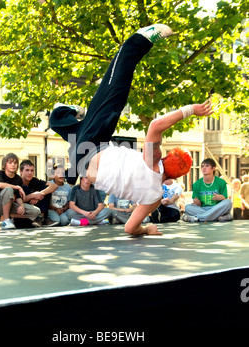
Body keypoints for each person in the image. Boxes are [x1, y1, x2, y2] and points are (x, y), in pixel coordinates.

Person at [50, 23, 213, 235]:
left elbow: (156, 125)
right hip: (81, 161)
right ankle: (63, 113)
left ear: (165, 159)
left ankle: (138, 41)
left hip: (93, 146)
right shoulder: (154, 198)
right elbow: (130, 228)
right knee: (62, 124)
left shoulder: (153, 162)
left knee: (115, 90)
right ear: (178, 176)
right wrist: (146, 230)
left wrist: (191, 109)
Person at [0, 153, 41, 229]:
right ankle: (6, 221)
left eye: (15, 163)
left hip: (11, 205)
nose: (13, 165)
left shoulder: (18, 179)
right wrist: (17, 187)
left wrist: (21, 205)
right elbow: (0, 185)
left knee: (36, 211)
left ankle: (9, 216)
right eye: (10, 163)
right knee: (8, 189)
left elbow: (18, 196)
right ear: (4, 165)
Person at [20, 160, 59, 227]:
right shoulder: (17, 182)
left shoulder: (35, 181)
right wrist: (33, 195)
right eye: (27, 170)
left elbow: (54, 186)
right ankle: (39, 219)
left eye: (32, 170)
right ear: (21, 172)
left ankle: (41, 218)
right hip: (22, 211)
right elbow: (17, 201)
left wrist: (40, 194)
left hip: (36, 209)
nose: (30, 173)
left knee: (46, 189)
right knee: (26, 189)